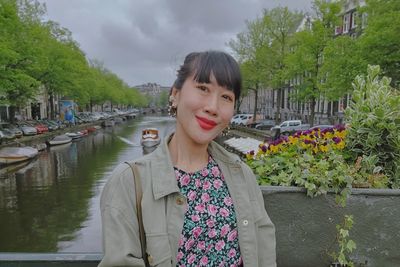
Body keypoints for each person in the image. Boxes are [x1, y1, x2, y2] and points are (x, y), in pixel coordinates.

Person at [99, 51, 276, 267]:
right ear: (175, 94)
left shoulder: (242, 174)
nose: (213, 107)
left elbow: (264, 249)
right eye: (203, 88)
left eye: (226, 97)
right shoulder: (128, 182)